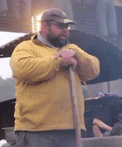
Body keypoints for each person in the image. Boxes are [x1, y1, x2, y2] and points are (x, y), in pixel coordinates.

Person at [10, 8, 100, 147]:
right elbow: (23, 69)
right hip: (37, 131)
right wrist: (58, 61)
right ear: (44, 26)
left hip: (71, 130)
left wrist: (75, 53)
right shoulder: (27, 47)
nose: (65, 30)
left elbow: (93, 70)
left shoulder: (72, 49)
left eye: (67, 26)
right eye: (60, 26)